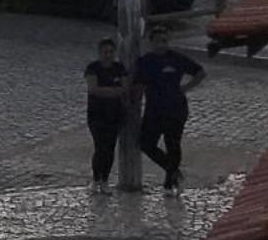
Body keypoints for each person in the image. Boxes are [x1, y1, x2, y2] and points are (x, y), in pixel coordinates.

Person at [132, 21, 205, 192]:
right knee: (146, 144)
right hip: (154, 110)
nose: (162, 44)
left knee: (173, 144)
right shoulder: (145, 61)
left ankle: (169, 183)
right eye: (158, 41)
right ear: (151, 42)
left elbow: (199, 72)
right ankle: (172, 170)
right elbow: (139, 85)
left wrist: (185, 88)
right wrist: (133, 102)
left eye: (164, 41)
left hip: (176, 109)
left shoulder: (176, 58)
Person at [83, 36, 128, 191]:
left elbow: (124, 88)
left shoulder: (119, 68)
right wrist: (113, 91)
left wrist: (107, 91)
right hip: (97, 114)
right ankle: (96, 178)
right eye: (105, 52)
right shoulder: (93, 68)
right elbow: (93, 89)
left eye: (110, 52)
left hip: (115, 114)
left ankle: (105, 179)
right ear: (100, 52)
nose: (108, 55)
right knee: (100, 146)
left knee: (110, 147)